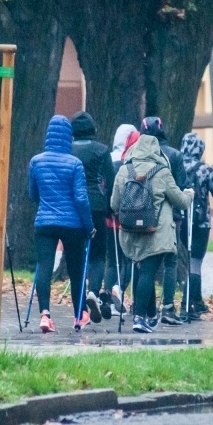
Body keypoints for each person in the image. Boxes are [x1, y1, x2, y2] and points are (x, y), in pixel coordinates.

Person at [111, 134, 194, 333]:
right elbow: (180, 201)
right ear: (156, 151)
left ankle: (150, 315)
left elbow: (114, 204)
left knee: (141, 270)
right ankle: (140, 317)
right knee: (148, 272)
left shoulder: (124, 170)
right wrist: (190, 194)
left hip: (130, 231)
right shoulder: (162, 172)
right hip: (156, 232)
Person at [29, 115, 95, 333]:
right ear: (69, 137)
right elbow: (81, 199)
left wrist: (48, 206)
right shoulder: (75, 163)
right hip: (73, 224)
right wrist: (89, 226)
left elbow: (32, 194)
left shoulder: (36, 161)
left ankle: (45, 315)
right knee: (76, 270)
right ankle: (79, 315)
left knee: (44, 266)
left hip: (44, 222)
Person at [178, 132, 213, 323]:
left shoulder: (175, 165)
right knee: (195, 263)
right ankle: (186, 306)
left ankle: (195, 301)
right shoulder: (205, 169)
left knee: (187, 262)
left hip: (180, 221)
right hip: (200, 223)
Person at [139, 117, 188, 324]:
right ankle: (168, 307)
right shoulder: (175, 155)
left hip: (139, 214)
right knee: (170, 261)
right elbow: (181, 186)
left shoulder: (137, 154)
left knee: (142, 262)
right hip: (169, 217)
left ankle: (141, 306)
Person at [70, 111, 115, 322]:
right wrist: (109, 206)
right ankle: (93, 291)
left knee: (77, 254)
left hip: (73, 207)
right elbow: (110, 179)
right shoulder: (101, 150)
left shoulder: (67, 150)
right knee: (98, 254)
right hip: (96, 205)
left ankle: (80, 299)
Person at [104, 124, 137, 316]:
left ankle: (107, 297)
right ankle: (119, 289)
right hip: (128, 219)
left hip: (109, 219)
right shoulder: (129, 163)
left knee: (111, 260)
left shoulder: (108, 159)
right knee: (128, 260)